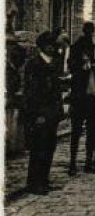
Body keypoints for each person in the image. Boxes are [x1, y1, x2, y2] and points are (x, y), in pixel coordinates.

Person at [23, 32, 64, 194]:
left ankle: (44, 179)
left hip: (51, 112)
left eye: (53, 44)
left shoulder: (53, 63)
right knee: (38, 148)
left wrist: (59, 110)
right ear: (42, 46)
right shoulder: (34, 64)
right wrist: (36, 114)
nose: (52, 47)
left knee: (49, 147)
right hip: (40, 113)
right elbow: (31, 92)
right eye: (48, 44)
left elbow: (56, 90)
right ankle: (34, 183)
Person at [68, 22, 95, 176]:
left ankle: (88, 161)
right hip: (79, 96)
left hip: (91, 96)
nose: (90, 34)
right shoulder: (77, 46)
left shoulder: (93, 46)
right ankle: (73, 162)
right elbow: (71, 67)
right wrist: (82, 65)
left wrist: (93, 64)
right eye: (89, 31)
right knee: (76, 130)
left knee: (91, 130)